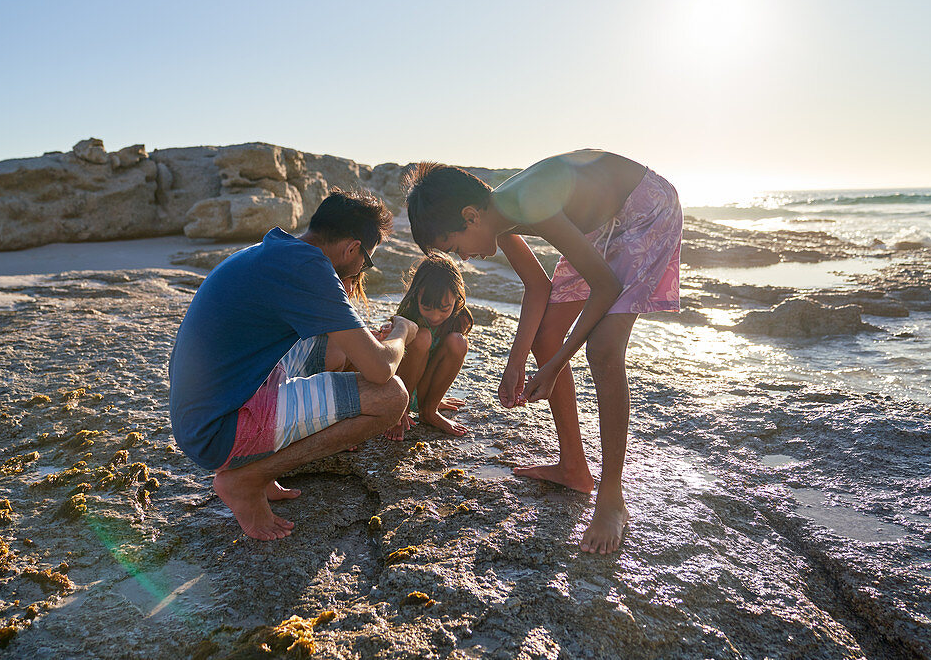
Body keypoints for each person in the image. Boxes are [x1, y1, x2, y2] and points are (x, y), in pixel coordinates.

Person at [404, 150, 682, 554]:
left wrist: (553, 367)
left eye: (455, 246)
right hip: (601, 225)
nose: (463, 258)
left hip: (645, 209)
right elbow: (537, 286)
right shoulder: (498, 216)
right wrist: (516, 363)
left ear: (470, 216)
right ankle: (573, 467)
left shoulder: (527, 202)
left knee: (603, 350)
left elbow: (605, 287)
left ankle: (611, 498)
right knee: (544, 334)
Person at [168, 190, 418, 541]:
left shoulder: (274, 250)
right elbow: (379, 369)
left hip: (201, 414)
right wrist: (403, 332)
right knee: (391, 397)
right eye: (367, 260)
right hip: (217, 432)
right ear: (352, 248)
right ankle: (246, 479)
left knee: (334, 345)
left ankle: (255, 464)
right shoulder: (311, 270)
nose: (363, 268)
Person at [388, 255, 472, 438]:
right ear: (416, 294)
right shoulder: (406, 317)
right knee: (422, 336)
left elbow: (444, 360)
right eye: (427, 307)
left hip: (425, 391)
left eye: (444, 309)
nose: (435, 316)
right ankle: (401, 411)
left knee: (459, 342)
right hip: (399, 392)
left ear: (457, 300)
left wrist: (433, 399)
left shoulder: (460, 319)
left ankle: (430, 411)